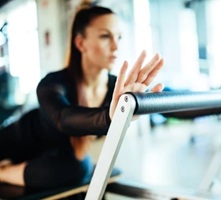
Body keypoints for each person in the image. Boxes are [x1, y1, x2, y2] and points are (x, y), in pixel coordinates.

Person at [0, 5, 164, 188]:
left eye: (118, 37)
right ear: (80, 43)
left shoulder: (116, 88)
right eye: (105, 36)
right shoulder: (53, 84)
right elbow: (64, 119)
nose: (116, 46)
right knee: (78, 167)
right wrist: (112, 116)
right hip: (10, 145)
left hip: (51, 159)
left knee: (78, 167)